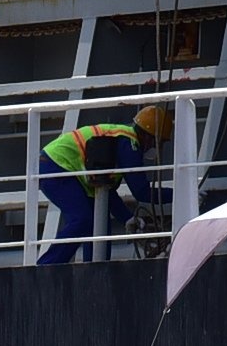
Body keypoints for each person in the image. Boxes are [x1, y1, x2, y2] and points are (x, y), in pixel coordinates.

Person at [37, 102, 169, 264]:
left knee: (99, 226)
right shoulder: (129, 144)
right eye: (160, 142)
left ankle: (95, 270)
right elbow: (142, 192)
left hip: (61, 167)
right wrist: (181, 194)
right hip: (57, 166)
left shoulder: (122, 140)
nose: (158, 148)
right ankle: (46, 266)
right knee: (82, 220)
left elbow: (107, 191)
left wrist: (127, 218)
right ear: (150, 137)